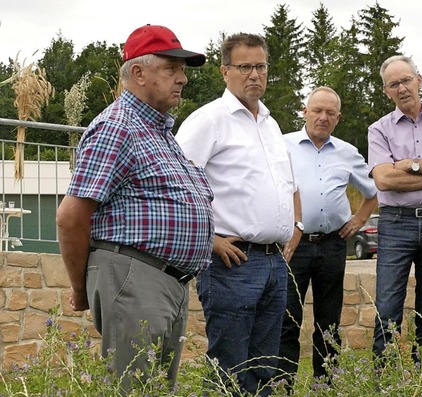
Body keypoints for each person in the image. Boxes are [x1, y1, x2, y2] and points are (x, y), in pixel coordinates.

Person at [55, 24, 214, 390]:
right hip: (134, 276)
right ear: (138, 73)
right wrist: (81, 289)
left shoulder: (156, 131)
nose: (182, 79)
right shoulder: (118, 127)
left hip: (163, 281)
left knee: (153, 388)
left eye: (183, 69)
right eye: (171, 68)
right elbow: (70, 217)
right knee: (134, 388)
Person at [175, 32, 301, 396]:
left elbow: (286, 185)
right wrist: (209, 240)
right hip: (233, 262)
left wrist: (292, 228)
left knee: (264, 365)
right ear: (224, 71)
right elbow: (177, 185)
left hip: (274, 262)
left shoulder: (271, 125)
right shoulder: (208, 120)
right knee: (229, 365)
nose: (254, 75)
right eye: (244, 67)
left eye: (260, 66)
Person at [278, 86, 378, 386]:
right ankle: (283, 384)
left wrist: (359, 219)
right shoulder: (282, 146)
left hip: (333, 245)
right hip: (294, 246)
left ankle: (325, 384)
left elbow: (373, 193)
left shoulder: (347, 153)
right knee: (287, 319)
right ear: (305, 112)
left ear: (338, 118)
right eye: (317, 110)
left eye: (329, 113)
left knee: (329, 321)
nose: (322, 117)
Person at [368, 55, 422, 367]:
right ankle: (385, 381)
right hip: (395, 225)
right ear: (386, 91)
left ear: (419, 80)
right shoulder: (378, 130)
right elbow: (384, 179)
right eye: (394, 84)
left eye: (406, 80)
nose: (402, 88)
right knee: (388, 307)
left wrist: (412, 165)